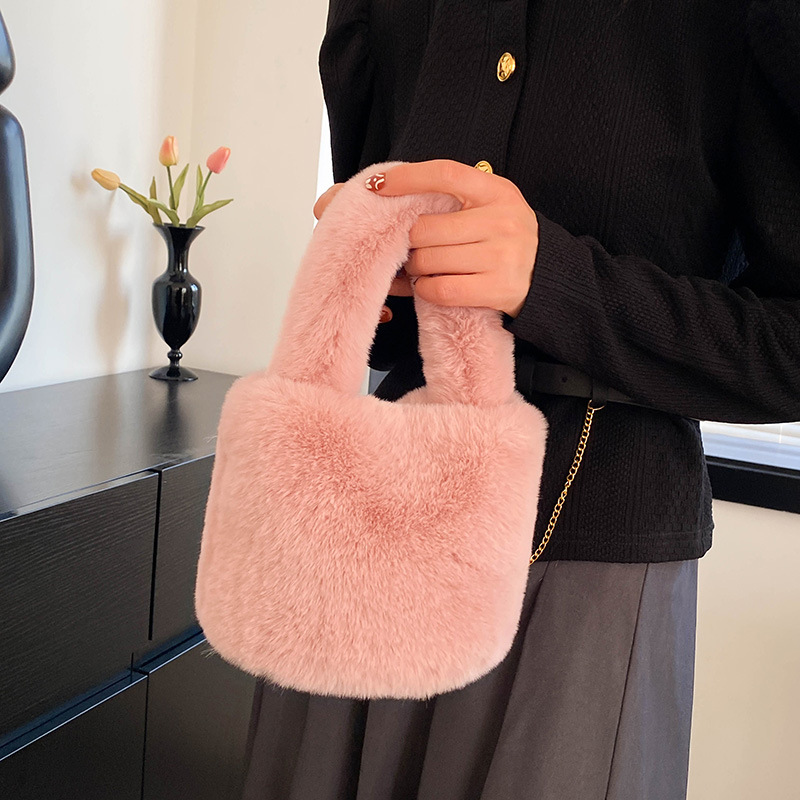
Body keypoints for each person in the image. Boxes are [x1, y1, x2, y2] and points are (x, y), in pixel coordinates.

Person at [241, 1, 800, 798]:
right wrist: (375, 270)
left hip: (588, 552)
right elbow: (390, 306)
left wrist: (556, 280)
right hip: (375, 514)